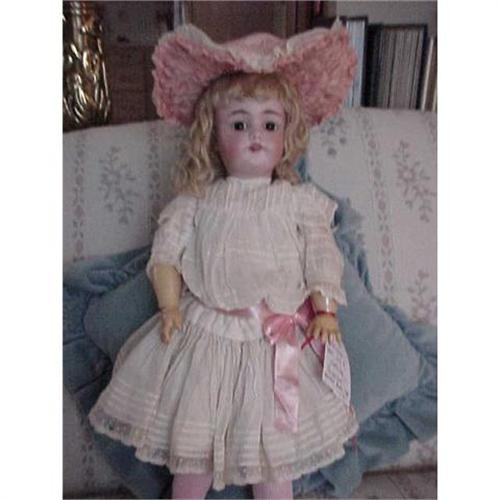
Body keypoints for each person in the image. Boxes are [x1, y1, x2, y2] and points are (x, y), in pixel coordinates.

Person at [89, 23, 358, 499]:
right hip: (205, 339)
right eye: (238, 124)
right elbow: (166, 256)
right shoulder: (196, 201)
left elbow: (321, 257)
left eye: (269, 124)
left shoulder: (299, 202)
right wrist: (170, 307)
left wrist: (326, 311)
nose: (255, 134)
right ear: (213, 135)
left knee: (272, 457)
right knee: (192, 454)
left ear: (287, 135)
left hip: (271, 344)